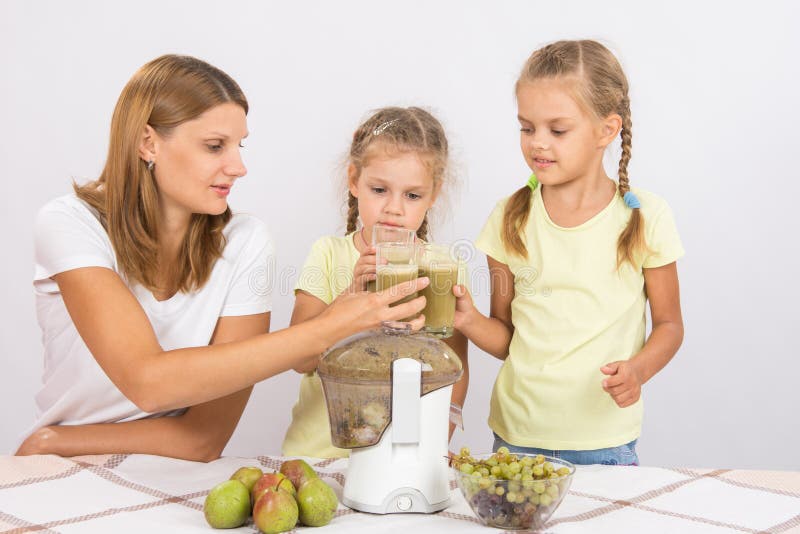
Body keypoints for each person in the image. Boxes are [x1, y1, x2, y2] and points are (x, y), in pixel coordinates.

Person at [14, 55, 428, 461]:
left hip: (152, 468)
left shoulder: (245, 242)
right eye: (215, 146)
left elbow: (202, 440)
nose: (239, 166)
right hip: (61, 472)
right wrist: (330, 328)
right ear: (147, 142)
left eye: (239, 145)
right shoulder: (70, 224)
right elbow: (147, 382)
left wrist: (59, 441)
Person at [454, 40, 684, 465]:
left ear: (606, 130)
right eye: (527, 128)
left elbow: (669, 325)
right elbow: (507, 338)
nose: (538, 143)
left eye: (557, 130)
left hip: (605, 442)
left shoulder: (645, 218)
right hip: (516, 438)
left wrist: (638, 371)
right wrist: (467, 320)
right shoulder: (509, 218)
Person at [281, 107, 469, 458]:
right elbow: (299, 360)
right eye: (380, 189)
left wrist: (434, 445)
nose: (394, 208)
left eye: (412, 195)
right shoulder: (327, 254)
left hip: (400, 459)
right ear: (354, 180)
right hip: (319, 455)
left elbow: (454, 370)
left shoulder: (441, 268)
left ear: (433, 194)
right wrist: (349, 296)